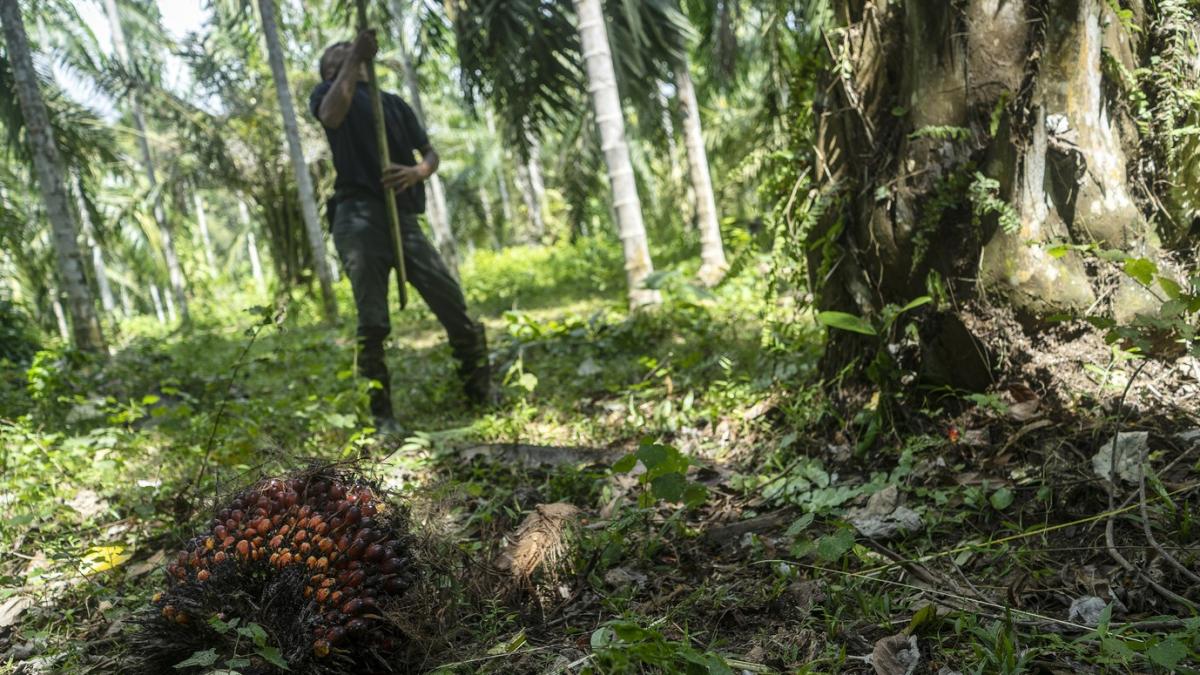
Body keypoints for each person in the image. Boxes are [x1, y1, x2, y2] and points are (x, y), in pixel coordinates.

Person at [309, 30, 490, 432]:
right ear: (330, 70)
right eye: (338, 55)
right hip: (358, 217)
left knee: (451, 301)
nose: (347, 51)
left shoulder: (392, 104)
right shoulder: (327, 93)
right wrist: (353, 58)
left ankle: (479, 389)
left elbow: (429, 153)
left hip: (402, 218)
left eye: (350, 49)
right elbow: (331, 116)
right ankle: (381, 414)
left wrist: (417, 171)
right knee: (372, 320)